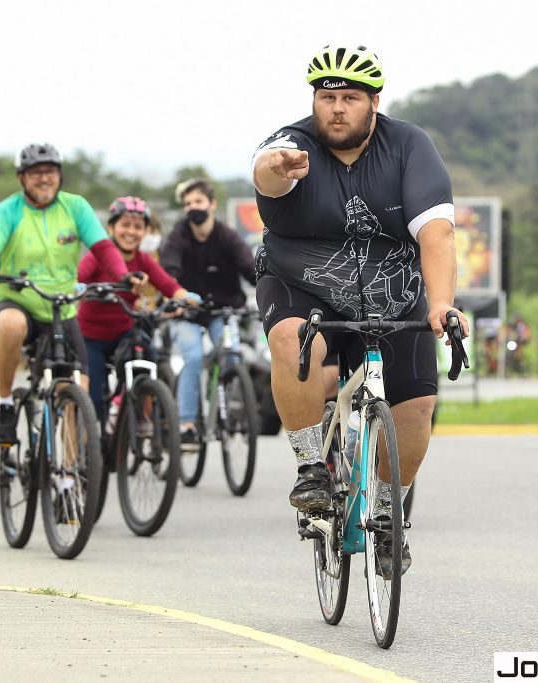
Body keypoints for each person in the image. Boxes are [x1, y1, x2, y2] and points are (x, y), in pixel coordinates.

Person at [251, 45, 468, 576]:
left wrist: (441, 303)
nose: (337, 109)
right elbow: (265, 175)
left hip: (392, 293)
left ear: (374, 102)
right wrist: (275, 169)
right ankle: (311, 468)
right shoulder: (291, 144)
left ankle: (391, 515)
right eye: (327, 97)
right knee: (295, 340)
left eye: (350, 97)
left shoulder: (409, 145)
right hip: (303, 285)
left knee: (415, 408)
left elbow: (436, 233)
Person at [0, 142, 132, 446]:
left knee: (78, 393)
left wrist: (123, 275)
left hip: (62, 308)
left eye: (50, 172)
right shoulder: (7, 210)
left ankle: (69, 478)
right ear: (22, 178)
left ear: (59, 175)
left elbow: (102, 248)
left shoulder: (75, 206)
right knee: (10, 325)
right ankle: (4, 403)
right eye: (36, 173)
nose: (44, 178)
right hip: (15, 301)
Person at [77, 196, 196, 422]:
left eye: (138, 226)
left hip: (124, 333)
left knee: (148, 351)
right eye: (125, 225)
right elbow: (78, 279)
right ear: (111, 228)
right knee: (93, 400)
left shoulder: (143, 260)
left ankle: (139, 409)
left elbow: (168, 285)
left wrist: (186, 297)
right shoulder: (96, 257)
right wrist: (79, 288)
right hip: (91, 338)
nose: (131, 231)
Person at [159, 178, 256, 447]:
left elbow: (251, 270)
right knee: (192, 356)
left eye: (198, 202)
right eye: (187, 203)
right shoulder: (178, 236)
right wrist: (176, 297)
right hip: (186, 311)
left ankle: (227, 403)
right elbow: (169, 270)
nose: (193, 207)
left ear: (212, 204)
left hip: (224, 310)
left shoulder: (228, 237)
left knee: (232, 354)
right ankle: (187, 424)